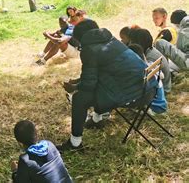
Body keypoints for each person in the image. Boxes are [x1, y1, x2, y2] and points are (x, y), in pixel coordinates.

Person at [57, 20, 154, 151]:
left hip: (133, 95)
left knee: (79, 99)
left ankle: (75, 143)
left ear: (80, 38)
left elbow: (89, 85)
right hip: (148, 89)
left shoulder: (89, 50)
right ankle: (97, 120)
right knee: (101, 85)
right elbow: (97, 75)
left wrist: (74, 88)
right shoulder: (112, 40)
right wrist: (79, 82)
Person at [126, 43, 167, 115]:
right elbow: (162, 76)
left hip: (153, 108)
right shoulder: (150, 65)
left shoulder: (139, 72)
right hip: (162, 105)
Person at [129, 28, 172, 93]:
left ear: (138, 43)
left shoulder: (150, 58)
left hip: (163, 90)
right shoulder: (150, 51)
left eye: (132, 42)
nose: (130, 44)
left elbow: (149, 81)